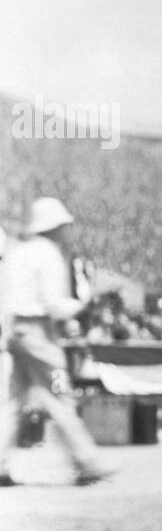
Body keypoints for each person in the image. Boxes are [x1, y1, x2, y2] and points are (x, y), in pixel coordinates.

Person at [0, 197, 110, 487]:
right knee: (59, 394)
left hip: (16, 332)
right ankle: (86, 462)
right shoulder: (48, 254)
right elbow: (54, 305)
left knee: (13, 402)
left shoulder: (17, 251)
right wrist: (82, 304)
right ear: (54, 227)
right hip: (39, 333)